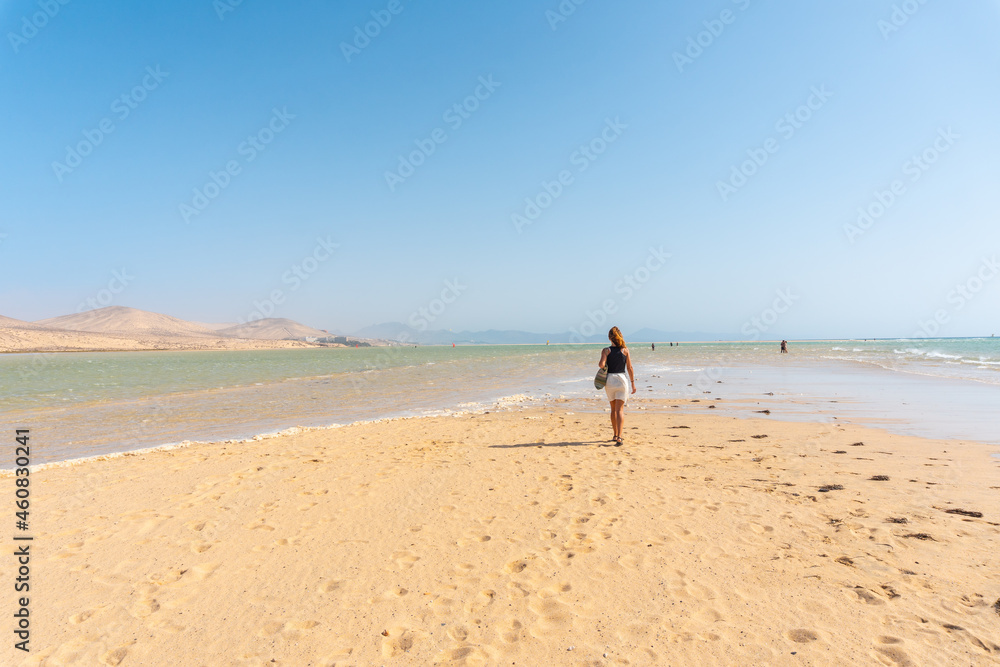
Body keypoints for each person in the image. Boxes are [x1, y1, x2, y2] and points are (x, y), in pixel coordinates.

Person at [598, 326, 636, 446]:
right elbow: (629, 368)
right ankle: (619, 437)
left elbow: (601, 364)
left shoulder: (606, 350)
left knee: (613, 409)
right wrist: (633, 383)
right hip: (622, 380)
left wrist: (604, 364)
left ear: (609, 338)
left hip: (610, 381)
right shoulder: (625, 350)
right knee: (620, 410)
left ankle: (615, 435)